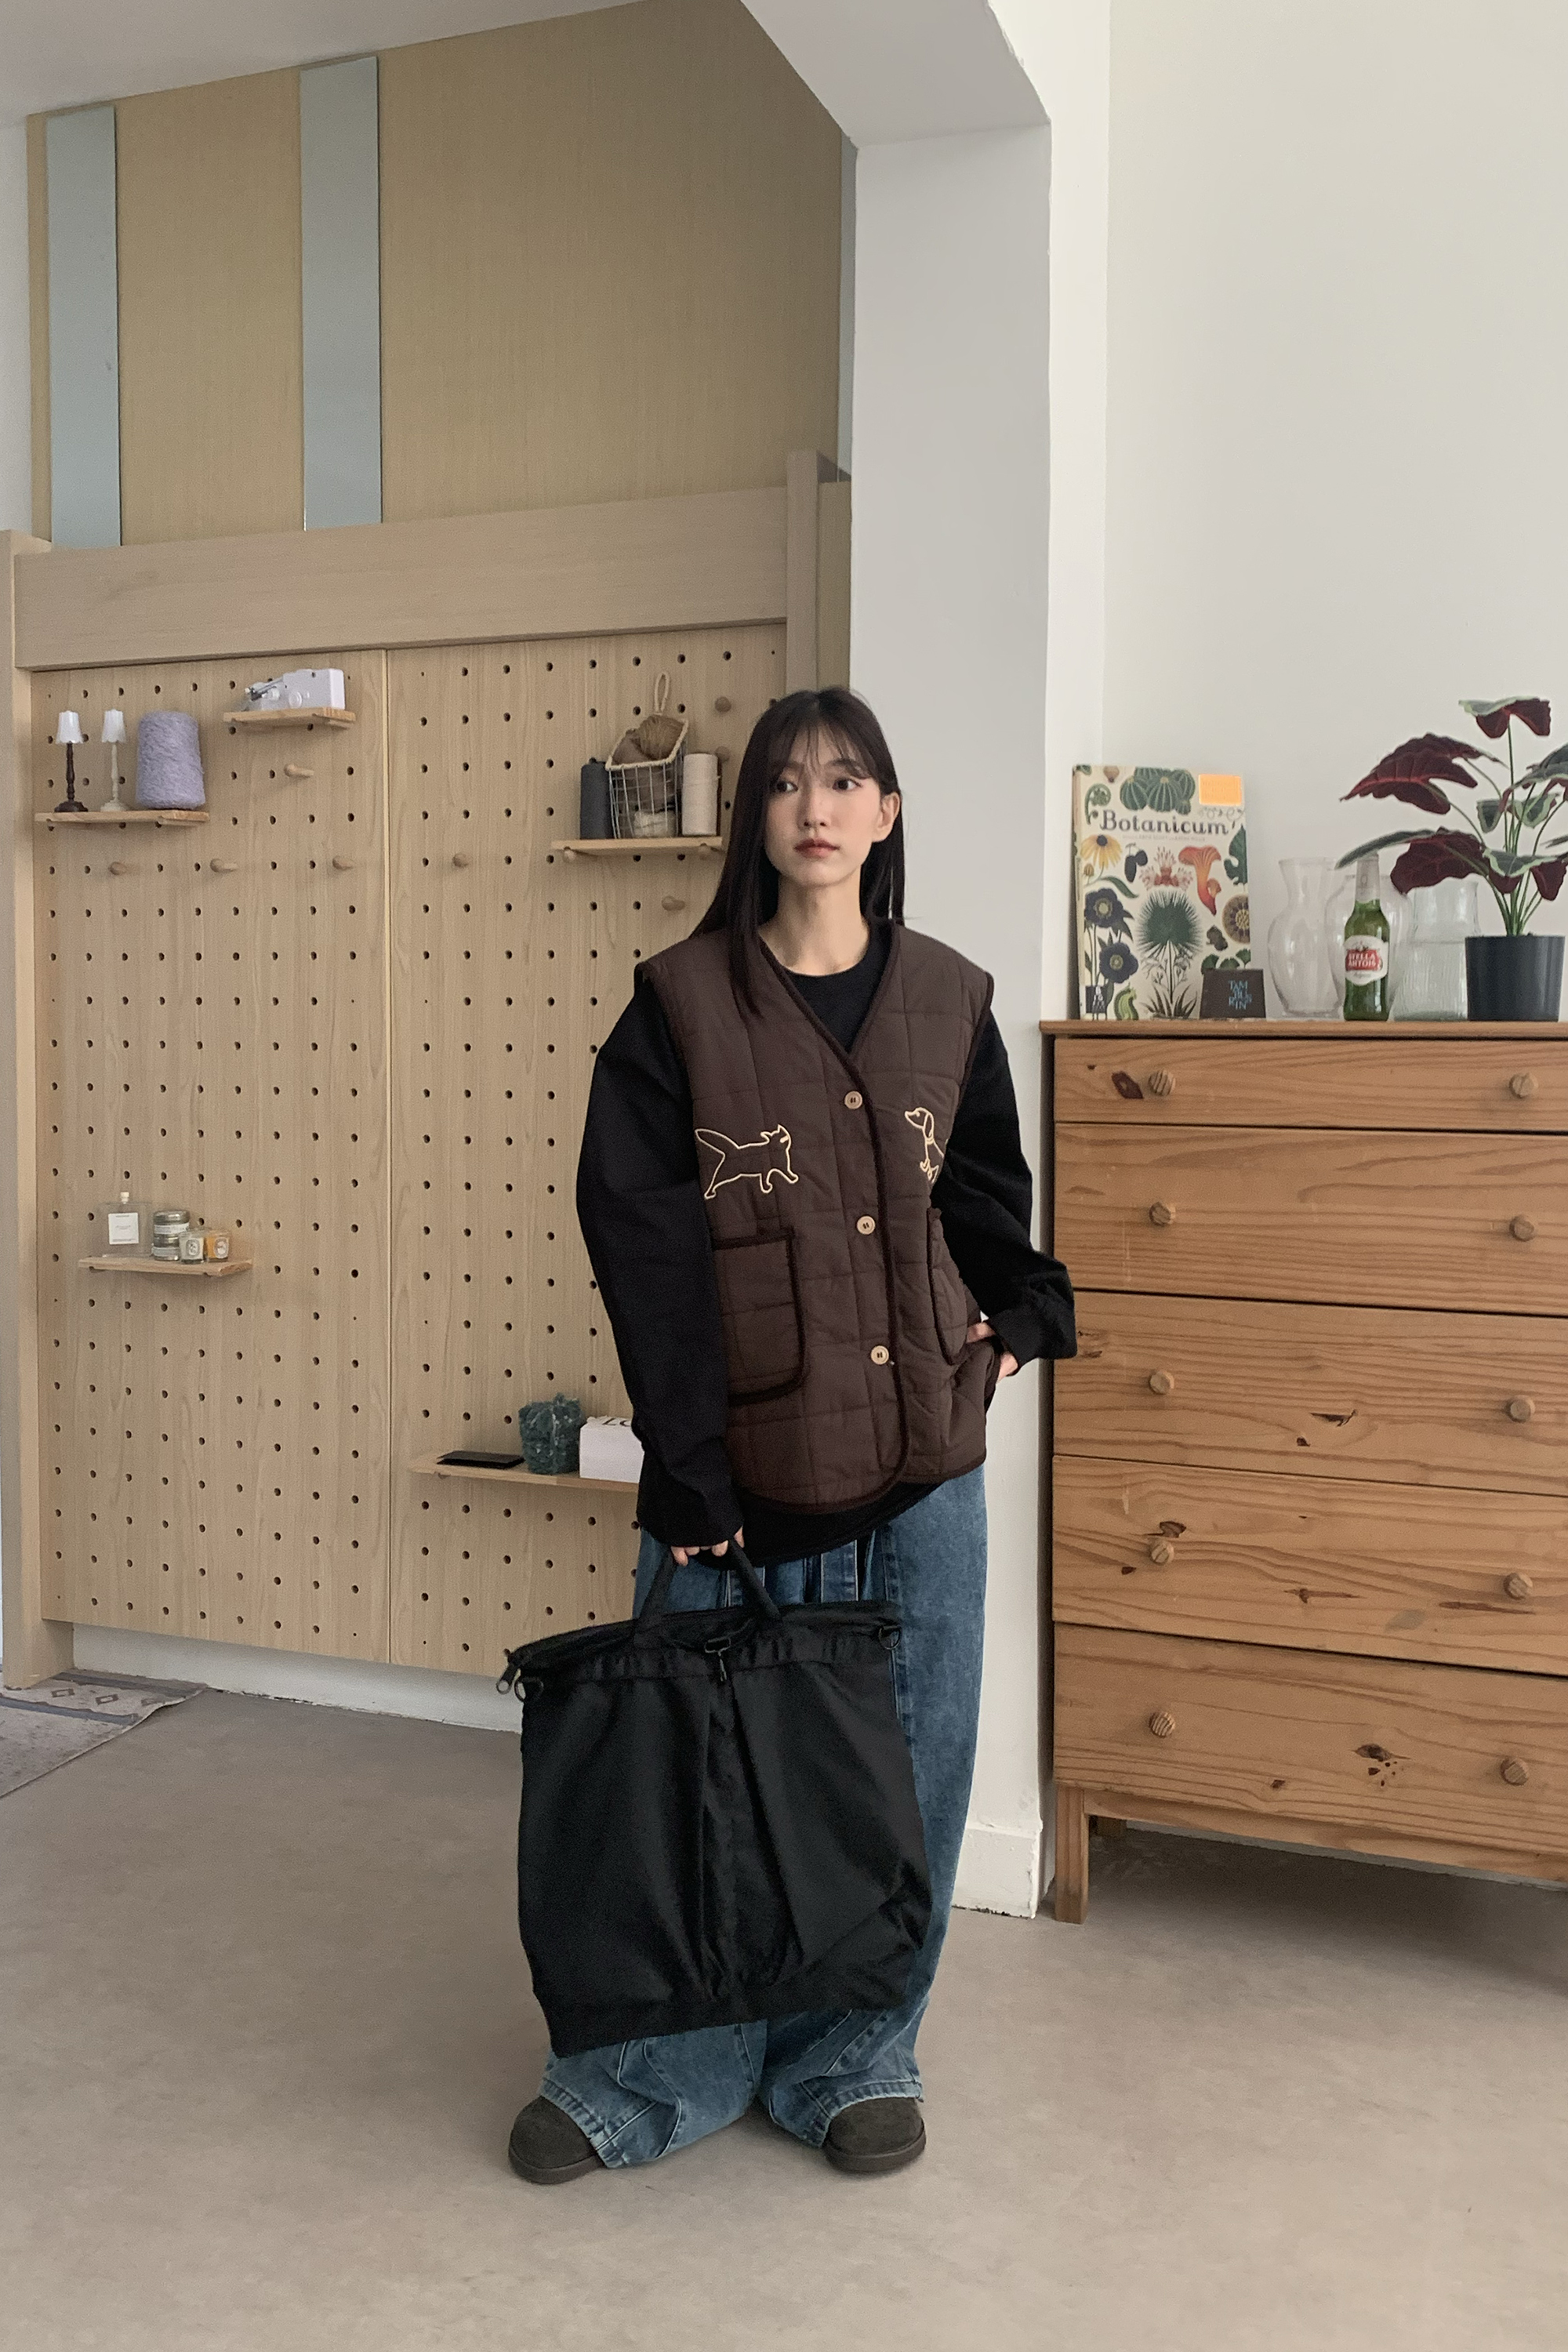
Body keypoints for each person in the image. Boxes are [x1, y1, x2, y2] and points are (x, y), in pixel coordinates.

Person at [509, 686, 1076, 2183]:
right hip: (738, 1470)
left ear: (885, 813)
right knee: (699, 1771)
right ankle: (651, 2077)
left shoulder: (950, 997)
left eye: (845, 780)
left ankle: (853, 2056)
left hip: (923, 1464)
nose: (815, 807)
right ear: (754, 816)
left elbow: (984, 1192)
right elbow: (639, 1240)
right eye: (785, 783)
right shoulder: (679, 1005)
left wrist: (1022, 1313)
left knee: (908, 1773)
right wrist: (687, 1466)